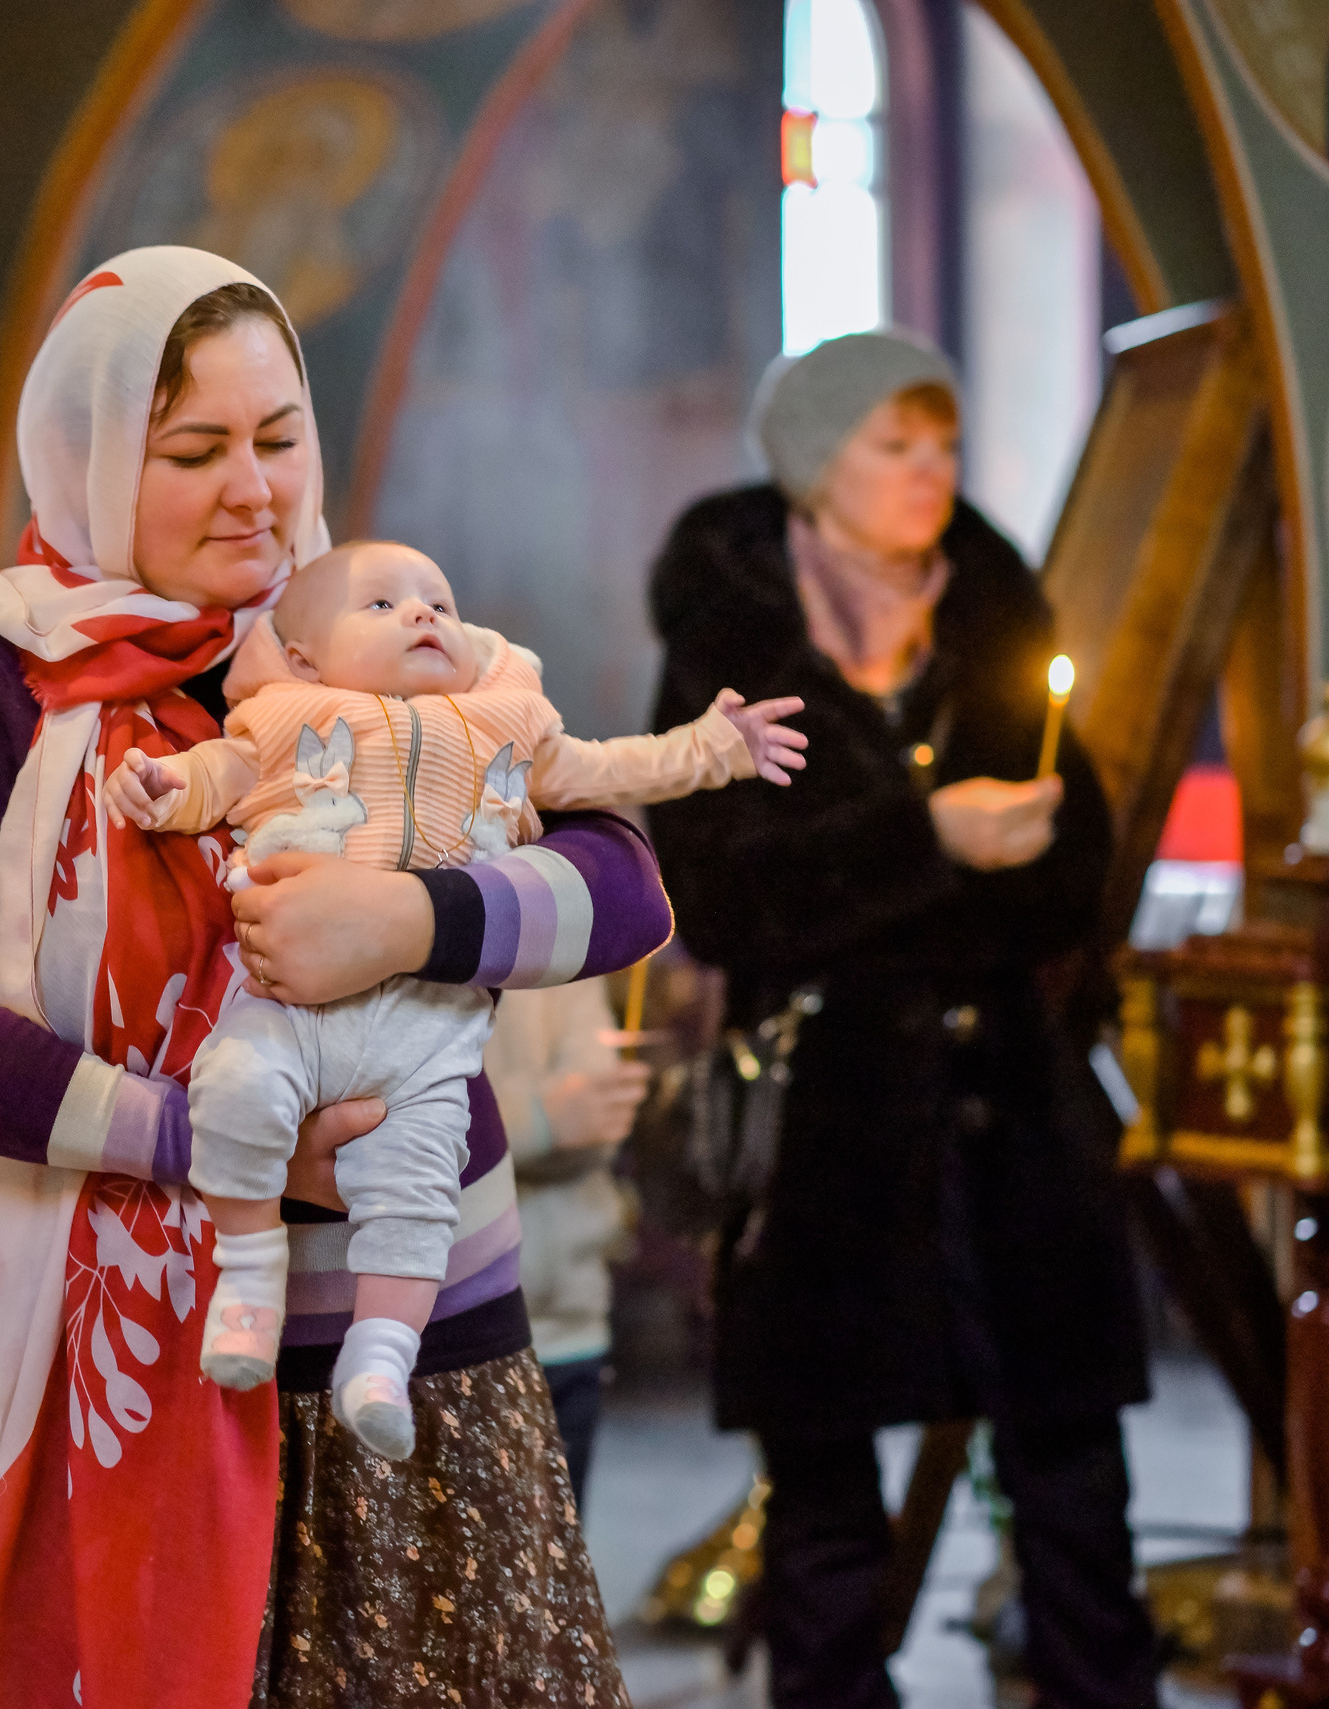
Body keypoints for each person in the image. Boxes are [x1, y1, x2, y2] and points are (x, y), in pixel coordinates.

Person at [0, 244, 671, 1709]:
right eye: (194, 449)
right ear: (92, 457)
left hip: (410, 1357)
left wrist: (405, 920)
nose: (257, 491)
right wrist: (219, 1143)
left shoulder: (366, 627)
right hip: (117, 1369)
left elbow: (623, 887)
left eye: (280, 438)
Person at [642, 330, 1158, 1709]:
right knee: (825, 1526)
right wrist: (926, 842)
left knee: (1075, 1489)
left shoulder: (993, 616)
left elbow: (1071, 873)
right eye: (895, 443)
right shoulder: (733, 642)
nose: (933, 471)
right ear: (817, 465)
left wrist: (936, 875)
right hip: (826, 1127)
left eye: (945, 443)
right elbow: (719, 898)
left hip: (1013, 1120)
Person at [100, 538, 799, 1459]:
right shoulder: (277, 721)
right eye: (382, 606)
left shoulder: (506, 727)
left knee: (419, 1182)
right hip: (289, 1009)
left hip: (428, 1027)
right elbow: (210, 781)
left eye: (438, 600)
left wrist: (716, 747)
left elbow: (612, 770)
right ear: (304, 656)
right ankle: (246, 1278)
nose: (423, 616)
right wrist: (160, 786)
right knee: (233, 1090)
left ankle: (382, 1356)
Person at [486, 976, 650, 1511]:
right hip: (450, 1335)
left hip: (569, 1323)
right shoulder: (392, 917)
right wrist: (542, 1120)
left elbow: (602, 1112)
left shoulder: (565, 924)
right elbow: (398, 1126)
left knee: (553, 1579)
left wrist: (517, 1128)